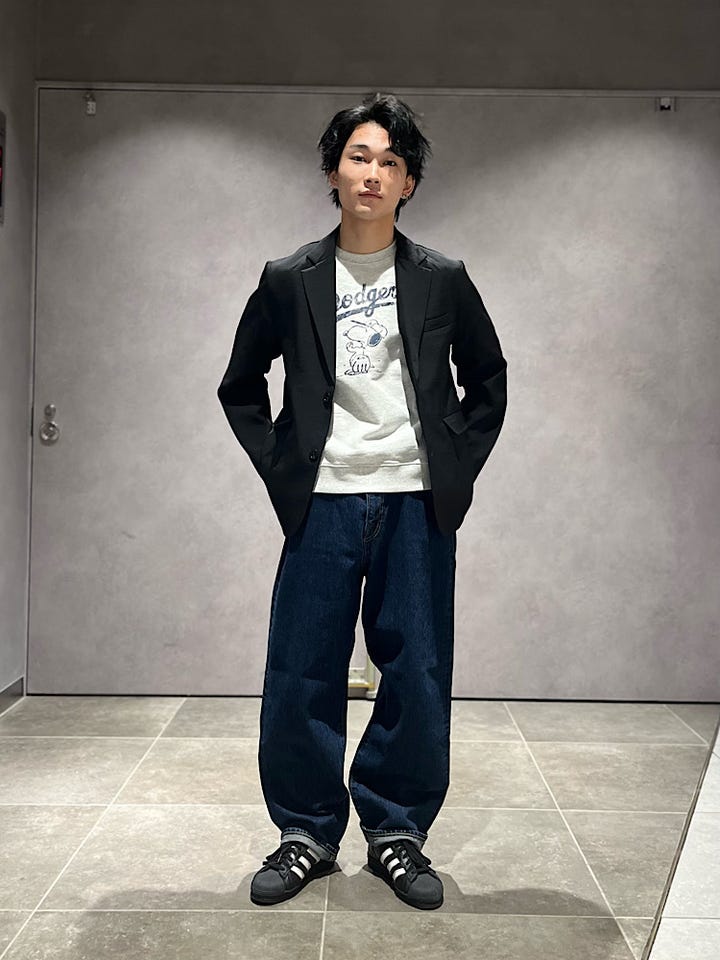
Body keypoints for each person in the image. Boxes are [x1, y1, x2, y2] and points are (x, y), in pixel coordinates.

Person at [217, 91, 508, 910]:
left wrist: (454, 467)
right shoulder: (289, 279)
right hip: (325, 500)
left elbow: (488, 380)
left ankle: (397, 831)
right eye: (358, 157)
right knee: (301, 667)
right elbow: (241, 384)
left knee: (416, 668)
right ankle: (306, 832)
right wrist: (283, 468)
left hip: (415, 501)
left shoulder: (442, 279)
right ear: (333, 173)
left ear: (408, 182)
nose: (373, 173)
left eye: (390, 161)